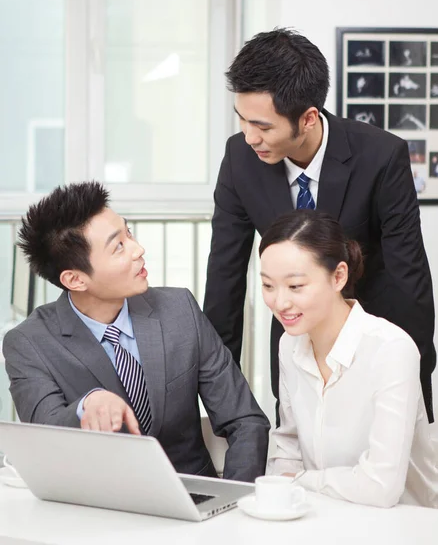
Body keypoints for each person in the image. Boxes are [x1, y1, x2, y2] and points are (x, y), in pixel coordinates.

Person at [203, 28, 436, 422]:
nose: (249, 136)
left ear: (308, 118)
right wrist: (219, 393)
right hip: (294, 340)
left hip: (371, 336)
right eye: (242, 120)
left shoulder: (381, 156)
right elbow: (224, 276)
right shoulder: (239, 158)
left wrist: (413, 377)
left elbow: (407, 276)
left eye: (263, 126)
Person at [3, 182, 270, 482]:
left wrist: (233, 504)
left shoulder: (180, 311)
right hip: (101, 512)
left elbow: (245, 421)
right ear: (75, 280)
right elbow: (44, 437)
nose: (138, 250)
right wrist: (85, 406)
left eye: (128, 233)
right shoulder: (28, 344)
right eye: (118, 246)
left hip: (195, 501)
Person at [261, 209, 438, 508]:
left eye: (295, 286)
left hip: (403, 526)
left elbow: (381, 488)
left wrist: (302, 480)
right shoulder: (289, 346)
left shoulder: (391, 350)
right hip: (323, 516)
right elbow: (287, 448)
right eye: (267, 285)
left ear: (339, 276)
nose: (280, 302)